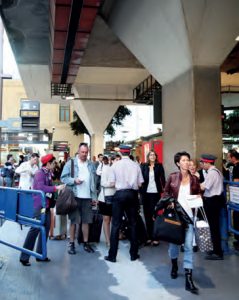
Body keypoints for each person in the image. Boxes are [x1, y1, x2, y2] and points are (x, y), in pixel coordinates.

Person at [162, 151, 201, 294]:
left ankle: (188, 279)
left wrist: (197, 199)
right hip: (176, 219)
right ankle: (174, 265)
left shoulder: (195, 179)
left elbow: (198, 195)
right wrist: (170, 202)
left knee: (189, 247)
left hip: (189, 218)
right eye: (184, 160)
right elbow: (165, 193)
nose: (187, 162)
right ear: (178, 163)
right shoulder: (172, 177)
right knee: (174, 247)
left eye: (188, 160)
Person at [19, 154, 65, 266]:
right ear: (48, 163)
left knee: (45, 229)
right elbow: (41, 188)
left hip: (46, 205)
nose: (55, 165)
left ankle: (41, 255)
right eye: (53, 163)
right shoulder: (40, 173)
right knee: (34, 229)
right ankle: (24, 257)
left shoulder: (47, 173)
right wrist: (56, 188)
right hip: (40, 206)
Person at [104, 144, 144, 263]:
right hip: (132, 195)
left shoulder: (115, 165)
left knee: (115, 225)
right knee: (133, 223)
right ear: (129, 152)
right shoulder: (135, 165)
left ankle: (112, 255)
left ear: (121, 153)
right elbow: (140, 183)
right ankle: (133, 254)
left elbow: (112, 182)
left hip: (119, 194)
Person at [61, 143, 97, 255]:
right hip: (74, 196)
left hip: (87, 197)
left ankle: (85, 243)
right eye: (82, 152)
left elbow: (94, 182)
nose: (84, 154)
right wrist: (74, 181)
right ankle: (71, 243)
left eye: (86, 152)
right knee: (73, 221)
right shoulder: (71, 163)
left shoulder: (91, 165)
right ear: (78, 151)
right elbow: (63, 178)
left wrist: (94, 197)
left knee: (86, 221)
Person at [200, 154, 224, 260]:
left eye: (203, 163)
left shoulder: (212, 173)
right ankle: (215, 249)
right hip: (215, 201)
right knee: (213, 226)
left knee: (214, 227)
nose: (202, 165)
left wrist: (193, 182)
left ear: (208, 163)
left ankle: (218, 252)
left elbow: (204, 187)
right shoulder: (216, 171)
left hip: (212, 201)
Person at [140, 150, 165, 246]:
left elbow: (162, 178)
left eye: (154, 154)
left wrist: (165, 191)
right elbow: (140, 179)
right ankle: (149, 236)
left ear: (156, 156)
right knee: (147, 214)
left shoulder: (159, 166)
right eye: (151, 154)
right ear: (148, 156)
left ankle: (156, 237)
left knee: (154, 214)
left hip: (155, 193)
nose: (152, 156)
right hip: (145, 193)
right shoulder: (143, 166)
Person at [97, 156, 115, 247]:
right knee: (106, 219)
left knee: (114, 221)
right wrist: (113, 184)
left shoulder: (117, 169)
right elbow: (103, 183)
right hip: (105, 197)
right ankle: (108, 241)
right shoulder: (104, 168)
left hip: (116, 197)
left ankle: (113, 239)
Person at [227, 149, 239, 251]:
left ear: (233, 158)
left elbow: (236, 183)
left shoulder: (236, 168)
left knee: (236, 215)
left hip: (237, 197)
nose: (227, 158)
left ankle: (238, 239)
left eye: (228, 157)